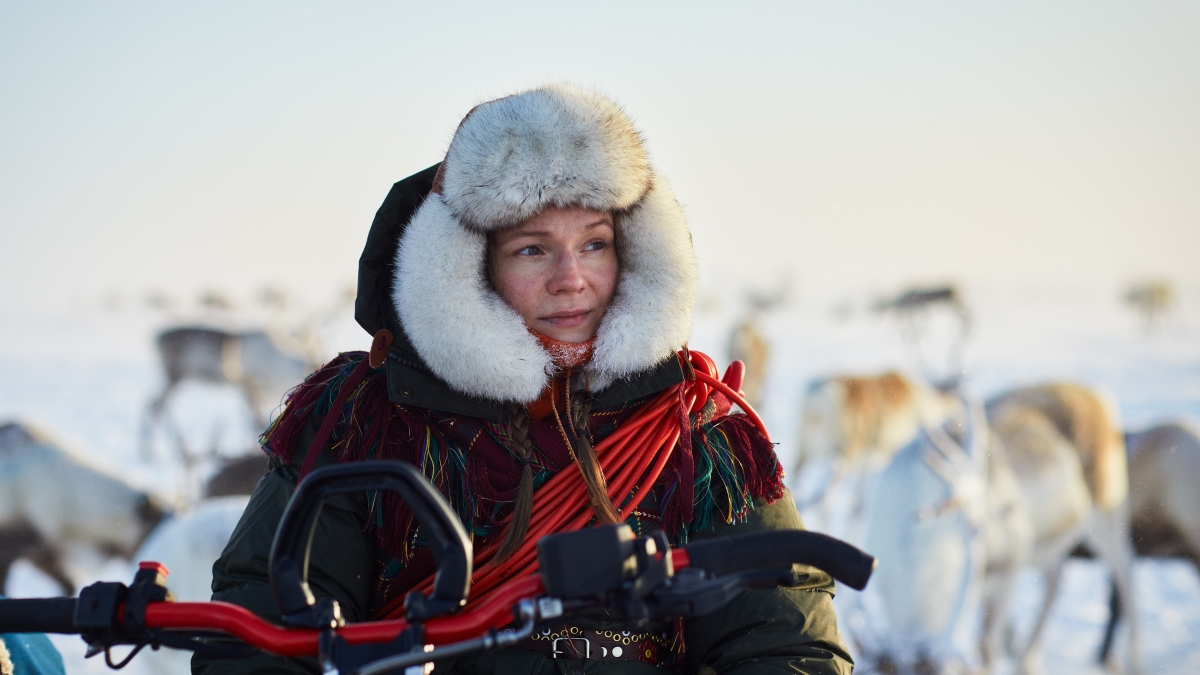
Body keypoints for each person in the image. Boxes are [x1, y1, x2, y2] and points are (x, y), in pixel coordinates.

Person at [193, 85, 853, 675]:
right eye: (532, 249)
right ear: (471, 267)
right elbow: (259, 638)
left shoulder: (695, 437)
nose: (572, 278)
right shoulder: (367, 419)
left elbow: (783, 647)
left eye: (595, 242)